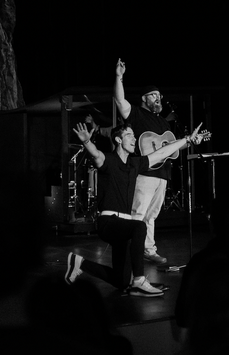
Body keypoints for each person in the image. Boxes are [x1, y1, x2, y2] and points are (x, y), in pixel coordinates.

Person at [65, 121, 202, 297]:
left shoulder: (134, 164)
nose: (134, 138)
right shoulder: (109, 160)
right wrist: (86, 142)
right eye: (129, 135)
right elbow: (96, 154)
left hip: (124, 226)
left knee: (121, 281)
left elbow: (162, 152)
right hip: (108, 222)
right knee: (140, 226)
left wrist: (187, 140)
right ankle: (139, 280)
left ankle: (79, 263)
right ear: (118, 139)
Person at [113, 58, 201, 264]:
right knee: (138, 213)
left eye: (159, 95)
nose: (158, 98)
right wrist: (119, 77)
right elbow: (119, 101)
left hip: (162, 175)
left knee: (151, 216)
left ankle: (148, 250)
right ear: (144, 98)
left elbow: (172, 148)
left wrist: (191, 141)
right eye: (153, 95)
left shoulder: (163, 122)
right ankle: (131, 250)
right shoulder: (135, 113)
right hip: (144, 172)